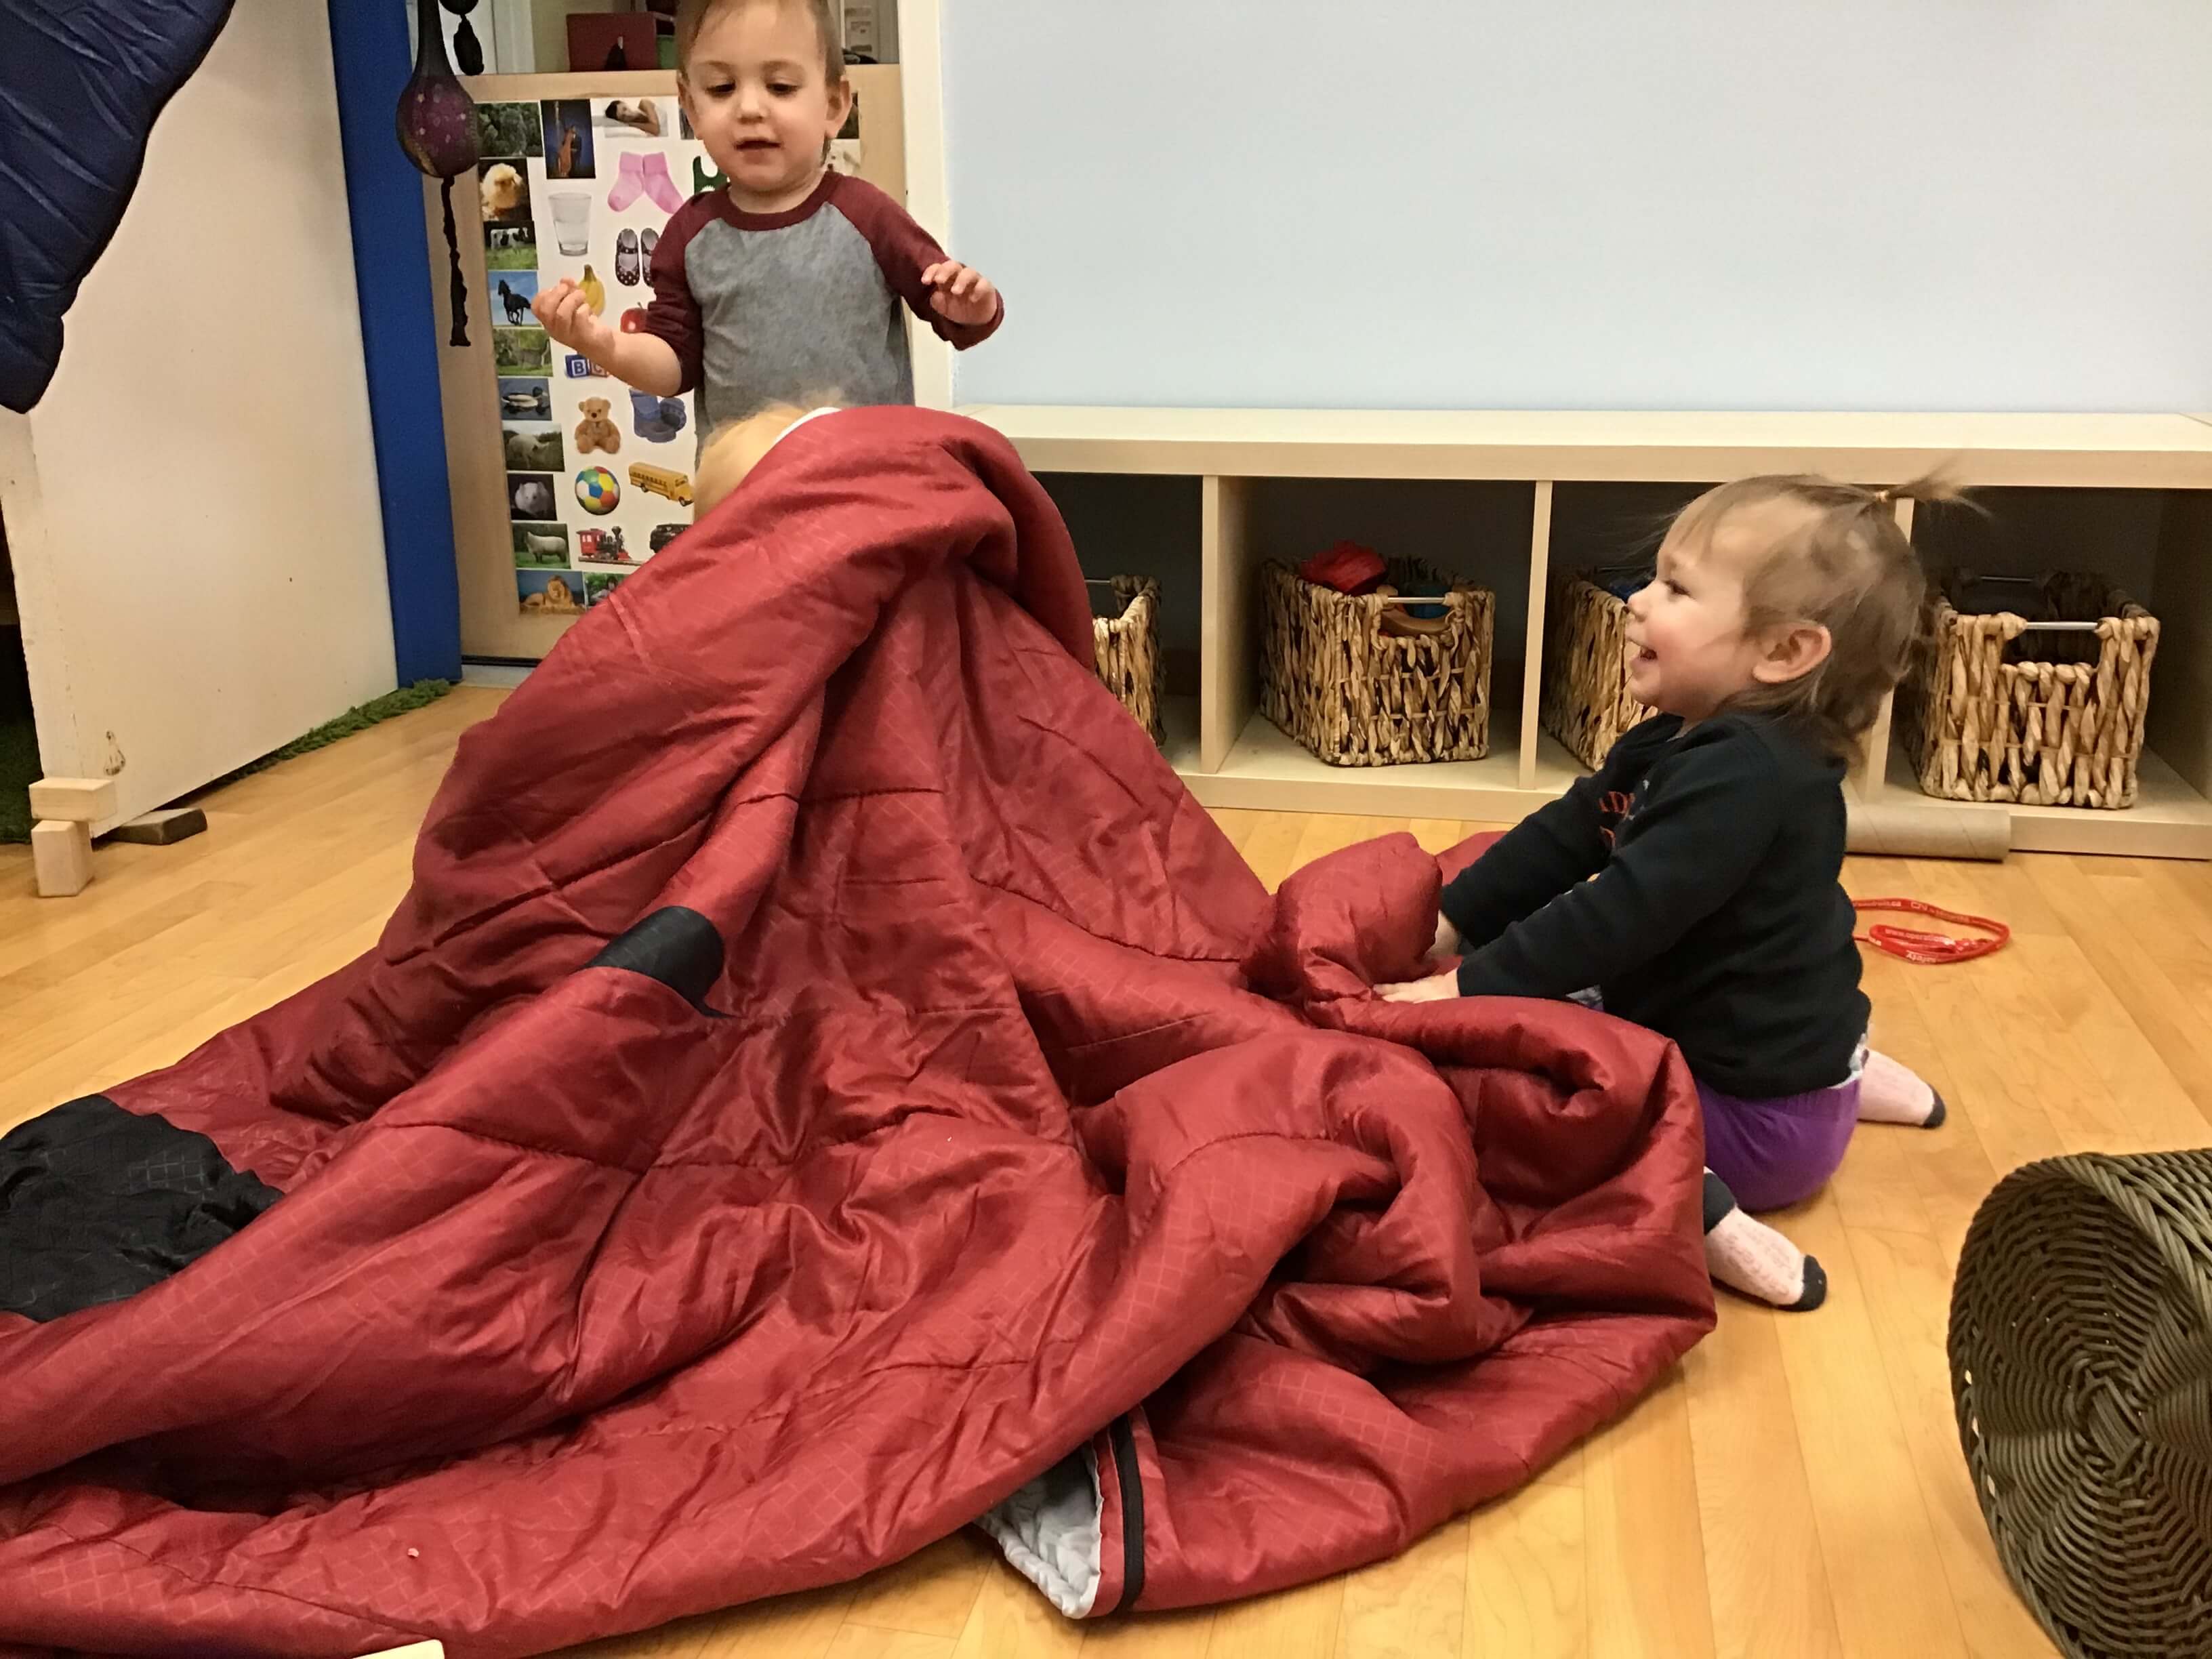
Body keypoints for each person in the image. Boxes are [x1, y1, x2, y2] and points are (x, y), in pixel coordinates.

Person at [1378, 476, 1951, 1311]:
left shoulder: (1745, 779)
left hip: (1751, 1132)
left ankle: (1712, 1221)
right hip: (1795, 1065)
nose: (1638, 602)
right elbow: (1570, 833)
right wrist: (1452, 918)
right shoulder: (1680, 738)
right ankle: (1848, 1076)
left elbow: (1615, 917)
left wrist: (1463, 989)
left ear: (1783, 653)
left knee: (1517, 1104)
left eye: (1676, 589)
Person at [532, 0, 1000, 436]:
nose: (750, 109)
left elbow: (949, 311)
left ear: (834, 105)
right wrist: (605, 345)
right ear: (691, 107)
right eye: (721, 88)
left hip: (867, 480)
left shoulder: (868, 216)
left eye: (780, 87)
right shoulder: (690, 237)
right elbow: (674, 365)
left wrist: (972, 307)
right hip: (747, 487)